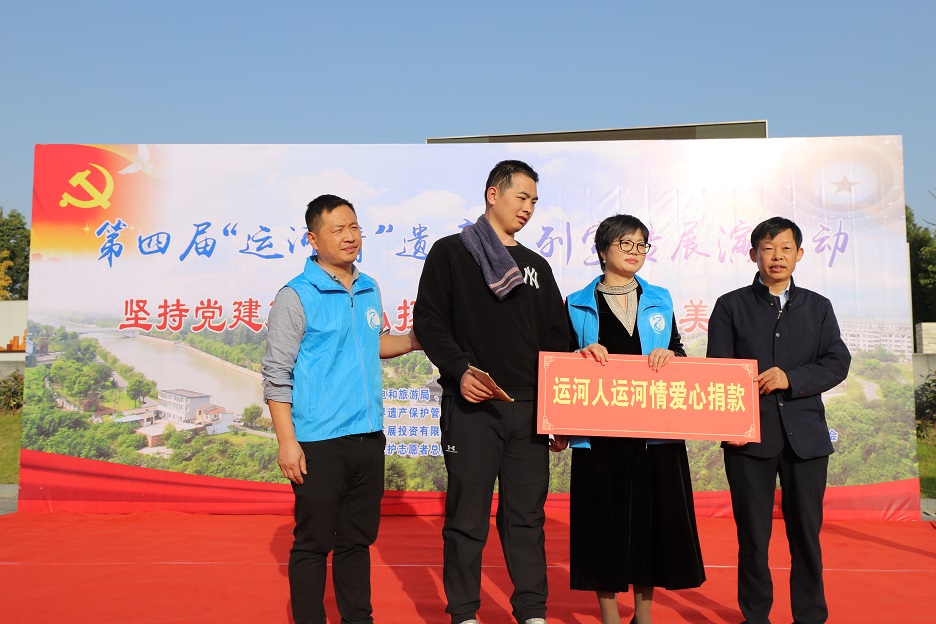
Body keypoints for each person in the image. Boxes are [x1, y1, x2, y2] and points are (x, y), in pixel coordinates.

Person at [413, 160, 571, 624]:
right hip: (471, 407)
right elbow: (430, 321)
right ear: (492, 194)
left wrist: (558, 413)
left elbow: (557, 339)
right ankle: (464, 612)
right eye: (521, 197)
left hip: (529, 410)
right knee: (467, 517)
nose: (528, 208)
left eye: (534, 201)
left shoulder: (538, 266)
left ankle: (532, 611)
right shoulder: (450, 253)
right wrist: (459, 370)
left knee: (526, 517)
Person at [262, 194, 420, 624]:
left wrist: (414, 340)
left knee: (356, 541)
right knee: (314, 543)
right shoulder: (296, 295)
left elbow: (375, 343)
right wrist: (287, 442)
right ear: (313, 239)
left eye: (354, 227)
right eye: (337, 229)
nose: (349, 237)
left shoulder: (369, 287)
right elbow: (276, 374)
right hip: (318, 441)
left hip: (368, 436)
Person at [706, 216, 851, 624]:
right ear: (753, 254)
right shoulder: (731, 305)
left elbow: (837, 362)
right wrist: (732, 427)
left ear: (799, 254)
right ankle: (755, 617)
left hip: (807, 439)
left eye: (786, 248)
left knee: (806, 535)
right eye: (768, 248)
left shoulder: (818, 307)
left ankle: (810, 616)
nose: (777, 256)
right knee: (753, 537)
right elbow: (719, 371)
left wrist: (791, 379)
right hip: (748, 439)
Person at [566, 214, 705, 624]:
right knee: (601, 524)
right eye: (625, 244)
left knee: (651, 523)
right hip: (598, 434)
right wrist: (580, 354)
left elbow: (679, 351)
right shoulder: (576, 302)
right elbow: (560, 360)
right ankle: (609, 615)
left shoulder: (660, 297)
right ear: (602, 250)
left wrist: (671, 355)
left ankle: (643, 615)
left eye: (641, 245)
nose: (634, 252)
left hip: (654, 432)